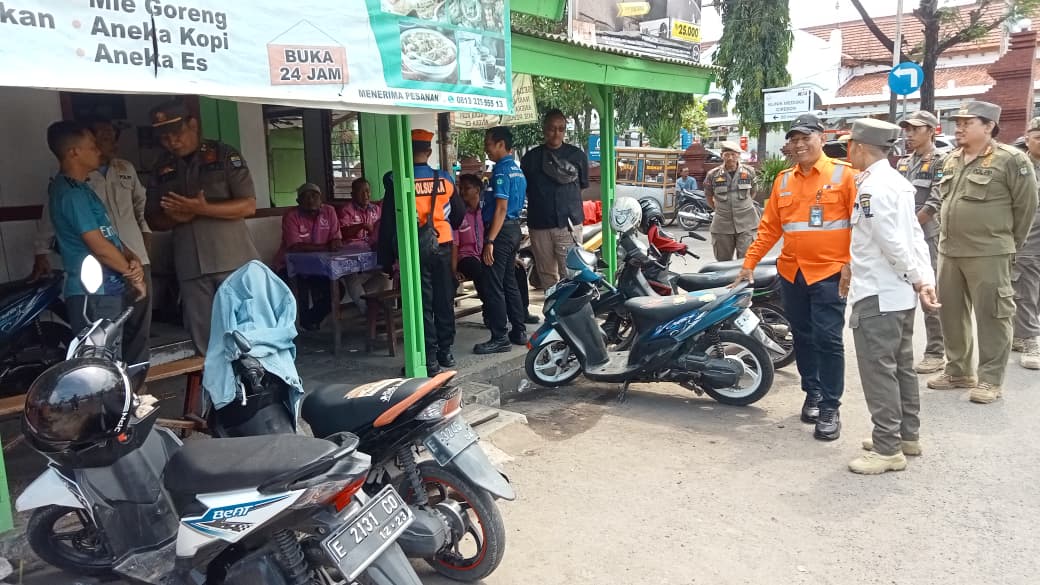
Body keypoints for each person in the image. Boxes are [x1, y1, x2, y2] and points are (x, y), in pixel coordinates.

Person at [734, 113, 858, 441]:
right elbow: (770, 228)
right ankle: (813, 392)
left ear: (822, 137)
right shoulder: (784, 180)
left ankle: (831, 406)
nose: (800, 144)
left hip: (831, 272)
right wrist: (749, 263)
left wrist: (851, 262)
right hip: (793, 271)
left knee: (829, 339)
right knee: (802, 335)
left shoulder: (845, 176)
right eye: (795, 139)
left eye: (806, 137)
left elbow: (861, 226)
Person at [842, 118, 939, 475]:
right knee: (900, 367)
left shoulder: (871, 188)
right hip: (898, 295)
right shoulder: (898, 183)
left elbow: (891, 241)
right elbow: (916, 235)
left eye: (850, 145)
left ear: (861, 147)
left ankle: (887, 449)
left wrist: (916, 278)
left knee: (878, 370)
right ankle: (905, 436)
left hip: (879, 293)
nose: (848, 151)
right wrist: (924, 279)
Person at [927, 101, 1038, 404]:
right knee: (951, 313)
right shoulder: (951, 159)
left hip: (990, 252)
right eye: (958, 122)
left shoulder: (1011, 160)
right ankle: (959, 370)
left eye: (967, 122)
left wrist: (1008, 244)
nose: (959, 128)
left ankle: (990, 379)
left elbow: (1026, 207)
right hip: (949, 251)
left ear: (989, 126)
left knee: (993, 315)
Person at [32, 117, 153, 365]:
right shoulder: (70, 193)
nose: (98, 150)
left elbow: (110, 235)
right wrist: (135, 276)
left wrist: (133, 259)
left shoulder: (83, 189)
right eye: (92, 146)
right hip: (92, 294)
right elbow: (98, 246)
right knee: (100, 366)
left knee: (114, 360)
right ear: (74, 152)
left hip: (108, 290)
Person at [145, 99, 259, 356]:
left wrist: (202, 209)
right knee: (206, 344)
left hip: (233, 261)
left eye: (176, 134)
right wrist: (176, 218)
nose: (171, 142)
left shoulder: (224, 156)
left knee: (249, 337)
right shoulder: (162, 168)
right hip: (191, 267)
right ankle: (220, 394)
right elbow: (153, 219)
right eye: (164, 138)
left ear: (193, 124)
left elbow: (248, 206)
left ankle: (256, 393)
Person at [377, 129, 458, 375]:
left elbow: (389, 221)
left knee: (421, 303)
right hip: (442, 243)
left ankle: (430, 359)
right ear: (429, 151)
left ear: (406, 151)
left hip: (414, 247)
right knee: (444, 299)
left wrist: (386, 258)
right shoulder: (445, 179)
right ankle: (446, 352)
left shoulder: (395, 179)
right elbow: (460, 211)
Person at [896, 110, 947, 375]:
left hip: (926, 236)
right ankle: (902, 352)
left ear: (931, 130)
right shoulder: (903, 163)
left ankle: (935, 352)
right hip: (902, 236)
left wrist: (911, 226)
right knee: (903, 292)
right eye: (907, 130)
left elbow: (935, 202)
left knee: (929, 293)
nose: (909, 134)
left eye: (915, 130)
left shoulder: (941, 160)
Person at [473, 126, 527, 354]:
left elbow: (501, 208)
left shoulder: (502, 171)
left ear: (501, 144)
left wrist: (490, 241)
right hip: (513, 230)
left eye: (489, 143)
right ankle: (518, 329)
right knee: (508, 281)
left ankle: (499, 337)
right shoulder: (517, 169)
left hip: (501, 232)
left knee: (493, 285)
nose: (486, 148)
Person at [521, 109, 589, 288]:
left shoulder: (578, 156)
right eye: (552, 128)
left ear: (565, 130)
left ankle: (573, 314)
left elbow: (581, 188)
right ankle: (553, 314)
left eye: (561, 129)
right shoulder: (530, 158)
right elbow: (526, 189)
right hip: (540, 225)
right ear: (544, 130)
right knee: (547, 275)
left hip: (568, 225)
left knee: (572, 273)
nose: (556, 133)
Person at [274, 183, 343, 331]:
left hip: (318, 267)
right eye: (306, 197)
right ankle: (300, 328)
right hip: (290, 266)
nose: (311, 200)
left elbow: (336, 237)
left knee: (337, 290)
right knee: (299, 290)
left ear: (321, 199)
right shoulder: (291, 216)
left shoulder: (329, 211)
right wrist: (326, 247)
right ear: (298, 201)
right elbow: (295, 246)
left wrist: (336, 242)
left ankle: (308, 320)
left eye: (314, 196)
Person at [339, 177, 388, 317]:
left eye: (367, 191)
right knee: (350, 276)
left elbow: (381, 230)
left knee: (385, 277)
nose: (365, 195)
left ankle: (377, 309)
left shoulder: (376, 209)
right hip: (353, 257)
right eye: (361, 192)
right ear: (352, 194)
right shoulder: (346, 210)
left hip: (372, 254)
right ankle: (368, 312)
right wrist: (360, 226)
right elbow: (342, 233)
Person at [1013, 117, 1040, 370]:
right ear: (1027, 139)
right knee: (1026, 291)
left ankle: (1022, 332)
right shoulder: (1019, 167)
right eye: (1038, 137)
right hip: (1028, 237)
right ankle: (1031, 339)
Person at [704, 141, 760, 261]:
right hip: (722, 224)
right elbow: (708, 196)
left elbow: (753, 192)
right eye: (727, 154)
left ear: (738, 155)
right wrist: (719, 209)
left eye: (733, 154)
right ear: (721, 155)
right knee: (723, 262)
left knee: (745, 260)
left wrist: (742, 206)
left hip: (746, 223)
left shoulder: (749, 172)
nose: (730, 158)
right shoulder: (713, 174)